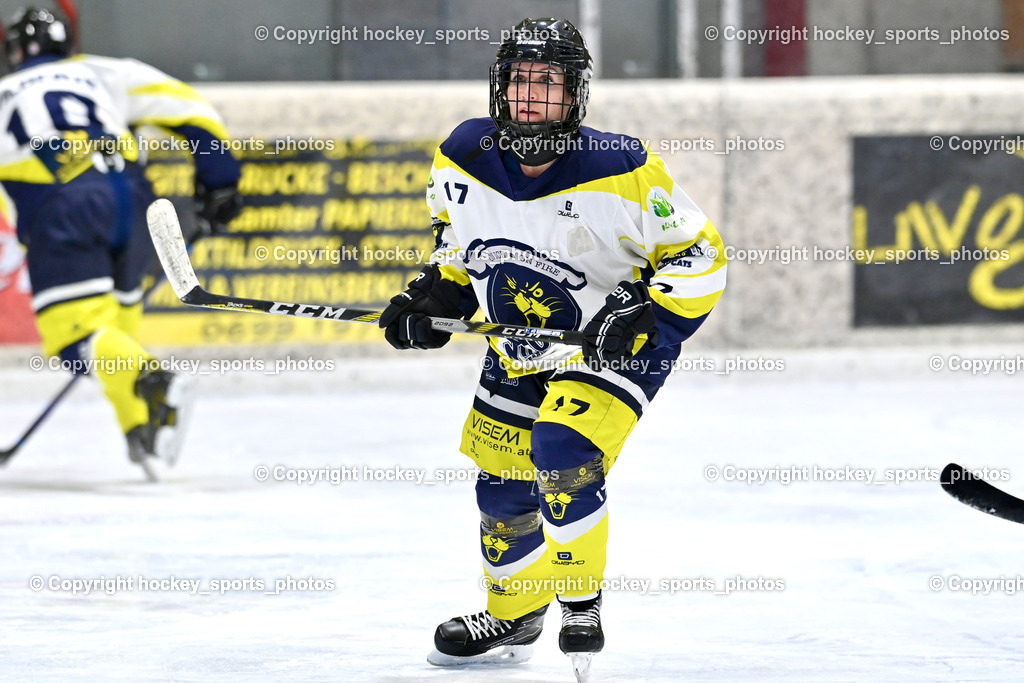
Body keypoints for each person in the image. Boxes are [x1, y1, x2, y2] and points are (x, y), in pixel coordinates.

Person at [379, 16, 727, 679]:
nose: (532, 95)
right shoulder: (461, 154)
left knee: (562, 452)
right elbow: (456, 247)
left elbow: (701, 256)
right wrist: (434, 298)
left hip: (615, 347)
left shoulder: (622, 168)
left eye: (550, 81)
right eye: (521, 79)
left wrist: (646, 309)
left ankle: (580, 604)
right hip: (520, 346)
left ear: (576, 94)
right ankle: (515, 615)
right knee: (502, 490)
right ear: (500, 87)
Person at [0, 7, 242, 477]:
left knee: (77, 340)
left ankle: (153, 380)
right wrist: (220, 183)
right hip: (135, 204)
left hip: (61, 208)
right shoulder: (104, 72)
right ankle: (142, 431)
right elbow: (194, 112)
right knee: (115, 336)